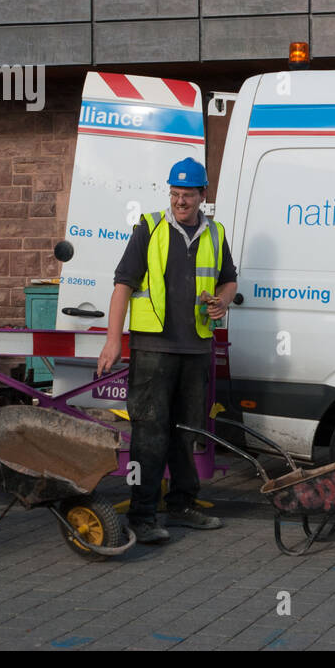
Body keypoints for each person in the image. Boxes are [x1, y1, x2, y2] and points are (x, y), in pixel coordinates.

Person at [96, 157, 237, 543]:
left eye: (187, 195)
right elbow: (123, 284)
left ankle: (181, 504)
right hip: (154, 347)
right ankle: (142, 515)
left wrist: (223, 302)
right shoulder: (150, 227)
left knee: (187, 430)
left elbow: (229, 281)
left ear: (202, 196)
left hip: (195, 347)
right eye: (175, 194)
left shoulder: (216, 233)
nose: (180, 202)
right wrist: (113, 340)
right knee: (149, 432)